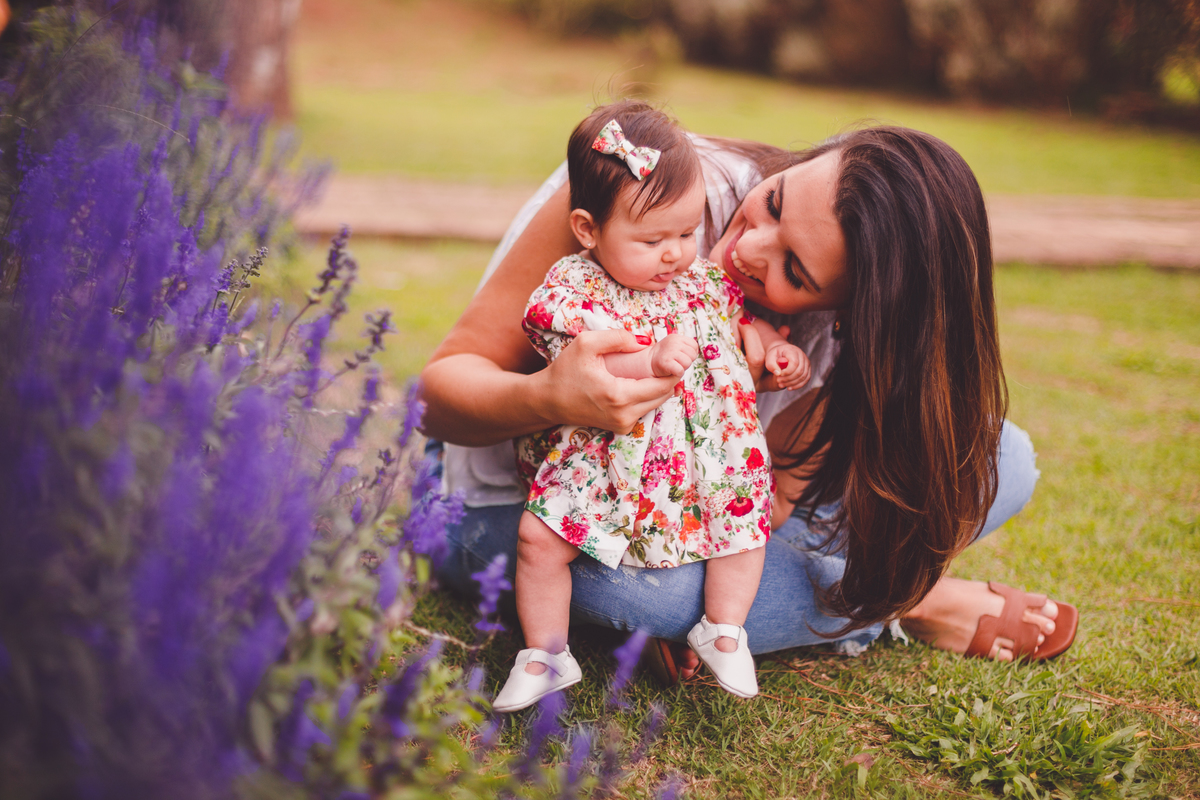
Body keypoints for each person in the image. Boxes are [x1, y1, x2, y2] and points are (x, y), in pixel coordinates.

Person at [419, 101, 1079, 689]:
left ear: (852, 315)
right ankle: (900, 602)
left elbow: (774, 498)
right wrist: (550, 397)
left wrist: (719, 545)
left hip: (679, 505)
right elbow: (438, 395)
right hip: (519, 504)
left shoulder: (836, 346)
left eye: (795, 270)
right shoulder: (641, 188)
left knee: (1002, 459)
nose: (745, 249)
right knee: (649, 596)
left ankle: (789, 604)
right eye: (777, 201)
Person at [494, 105, 809, 712]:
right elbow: (591, 365)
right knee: (538, 538)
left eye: (688, 234)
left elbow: (745, 329)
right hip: (607, 448)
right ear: (588, 230)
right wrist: (653, 361)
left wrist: (777, 353)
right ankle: (544, 653)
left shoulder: (705, 283)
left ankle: (723, 630)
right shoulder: (574, 290)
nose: (676, 255)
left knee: (743, 529)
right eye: (652, 240)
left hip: (707, 451)